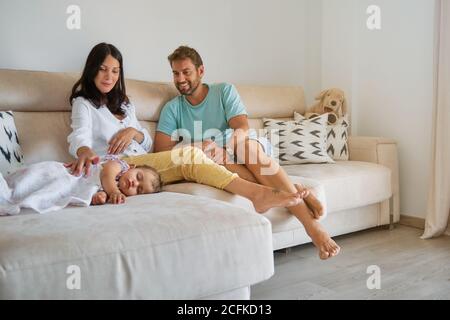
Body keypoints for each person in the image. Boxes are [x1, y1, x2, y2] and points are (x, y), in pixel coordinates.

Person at [65, 43, 308, 214]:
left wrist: (135, 132)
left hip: (146, 160)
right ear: (92, 69)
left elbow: (148, 146)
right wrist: (84, 151)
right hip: (124, 164)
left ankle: (280, 195)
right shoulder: (83, 103)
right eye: (103, 69)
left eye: (115, 71)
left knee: (231, 152)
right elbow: (79, 137)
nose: (109, 76)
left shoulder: (126, 104)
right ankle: (273, 194)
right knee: (193, 155)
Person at [154, 45, 340, 260]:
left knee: (244, 147)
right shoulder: (173, 108)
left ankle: (312, 227)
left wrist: (227, 146)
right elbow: (161, 151)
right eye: (175, 73)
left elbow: (241, 127)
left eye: (186, 72)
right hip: (212, 157)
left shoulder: (223, 91)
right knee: (213, 161)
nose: (180, 79)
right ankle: (293, 188)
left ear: (201, 71)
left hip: (243, 146)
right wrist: (202, 148)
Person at [0, 156, 161, 215]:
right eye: (138, 177)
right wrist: (112, 192)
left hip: (74, 186)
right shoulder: (120, 165)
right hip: (66, 173)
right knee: (34, 179)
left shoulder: (117, 192)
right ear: (132, 167)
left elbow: (94, 190)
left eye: (139, 189)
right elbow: (106, 175)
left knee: (49, 193)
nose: (134, 183)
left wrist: (99, 197)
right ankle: (9, 192)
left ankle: (12, 199)